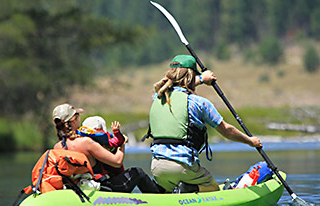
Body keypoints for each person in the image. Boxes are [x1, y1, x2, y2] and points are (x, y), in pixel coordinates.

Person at [147, 55, 262, 193]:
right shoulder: (200, 103)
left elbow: (179, 86)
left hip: (156, 168)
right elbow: (227, 130)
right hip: (182, 166)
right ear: (192, 76)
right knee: (213, 187)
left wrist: (202, 79)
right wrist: (250, 141)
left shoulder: (157, 98)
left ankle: (180, 190)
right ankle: (188, 189)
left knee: (172, 188)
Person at [52, 103, 162, 193]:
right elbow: (117, 161)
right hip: (103, 189)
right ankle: (160, 198)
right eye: (78, 116)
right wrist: (122, 143)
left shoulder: (57, 147)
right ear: (74, 121)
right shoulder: (86, 142)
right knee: (137, 172)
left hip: (75, 187)